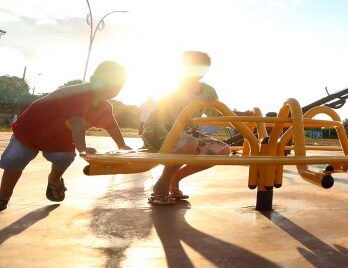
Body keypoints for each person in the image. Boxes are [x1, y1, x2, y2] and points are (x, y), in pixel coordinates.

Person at [0, 61, 131, 211]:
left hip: (58, 139)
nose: (111, 88)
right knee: (15, 160)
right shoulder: (79, 93)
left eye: (117, 86)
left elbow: (112, 127)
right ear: (93, 79)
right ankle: (4, 195)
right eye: (107, 82)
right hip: (30, 131)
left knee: (64, 157)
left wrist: (122, 145)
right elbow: (77, 123)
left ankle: (54, 180)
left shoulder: (105, 107)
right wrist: (82, 148)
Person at [142, 51, 234, 205]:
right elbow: (162, 113)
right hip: (160, 132)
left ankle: (175, 178)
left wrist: (241, 115)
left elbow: (218, 115)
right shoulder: (174, 85)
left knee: (222, 150)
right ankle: (162, 185)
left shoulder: (207, 91)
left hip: (188, 134)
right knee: (189, 143)